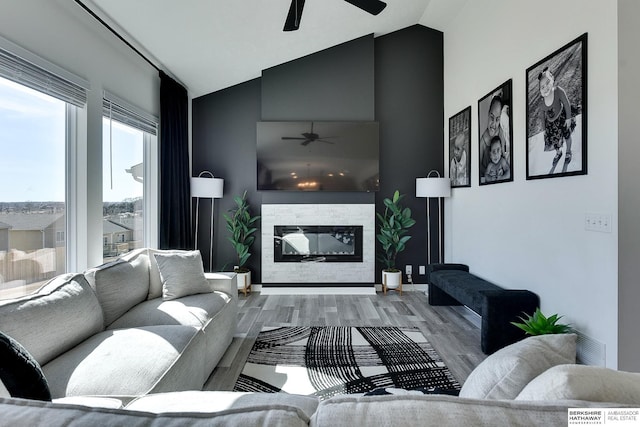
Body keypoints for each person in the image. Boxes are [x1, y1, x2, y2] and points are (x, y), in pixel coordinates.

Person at [538, 67, 575, 167]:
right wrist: (544, 129)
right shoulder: (542, 103)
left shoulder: (558, 91)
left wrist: (568, 118)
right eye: (542, 87)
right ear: (540, 90)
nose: (545, 88)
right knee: (555, 141)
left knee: (567, 135)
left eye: (547, 83)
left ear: (552, 81)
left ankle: (568, 151)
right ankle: (558, 152)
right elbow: (542, 117)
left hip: (562, 118)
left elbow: (566, 104)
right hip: (551, 124)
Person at [479, 95, 509, 178]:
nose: (494, 123)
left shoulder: (502, 133)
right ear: (488, 114)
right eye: (492, 117)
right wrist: (490, 173)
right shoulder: (482, 142)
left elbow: (504, 157)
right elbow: (477, 166)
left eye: (497, 119)